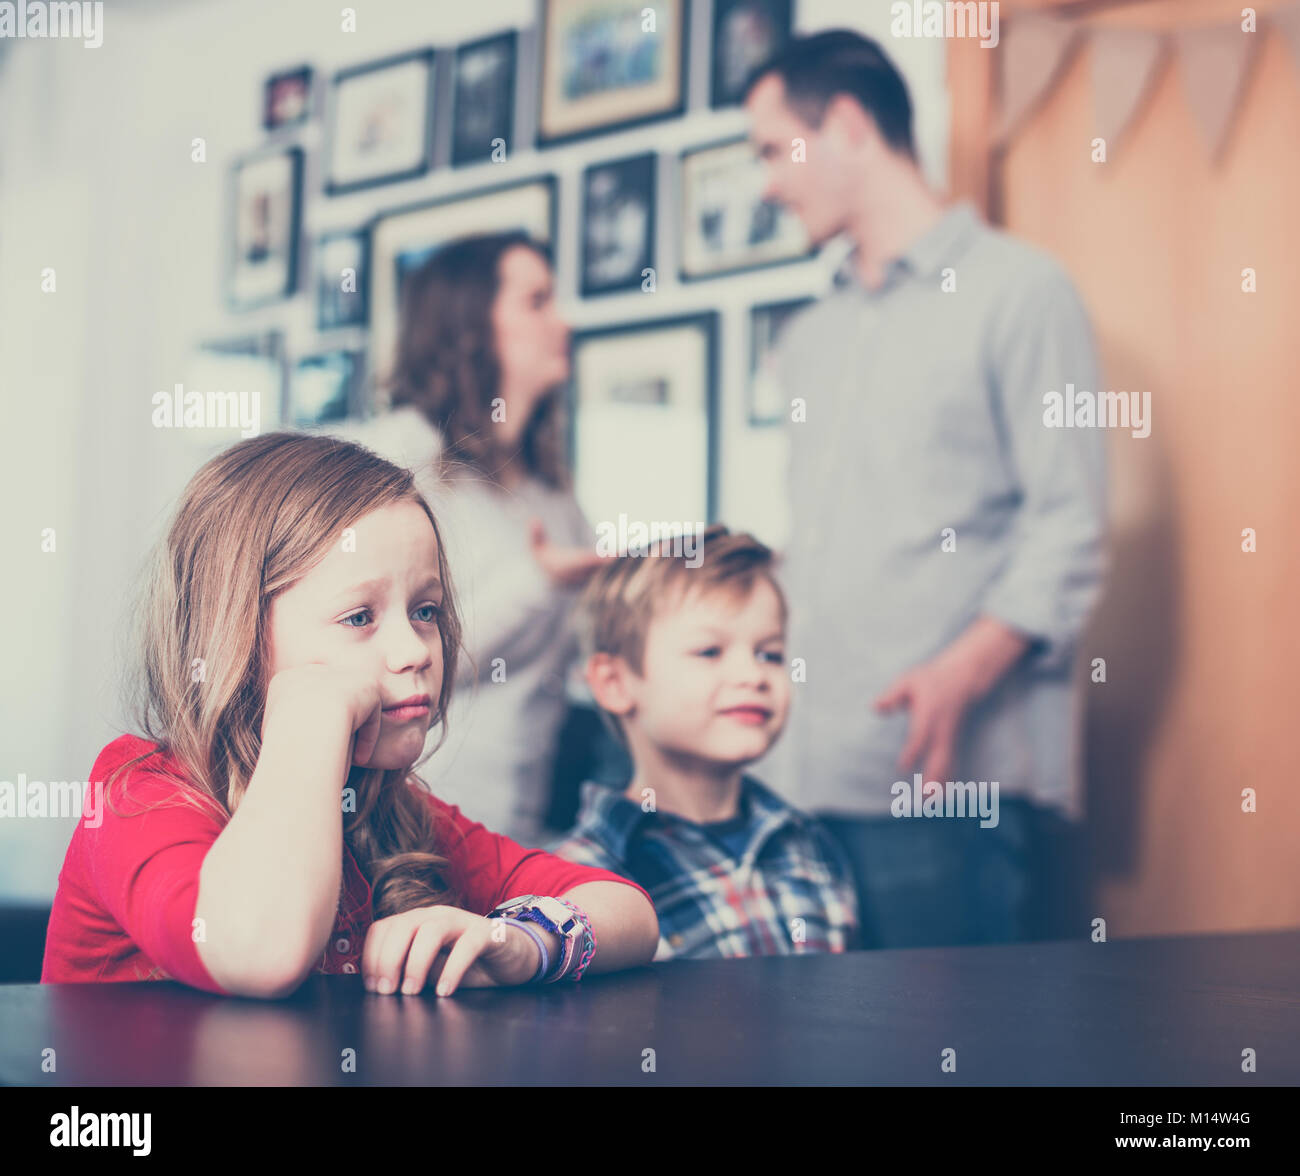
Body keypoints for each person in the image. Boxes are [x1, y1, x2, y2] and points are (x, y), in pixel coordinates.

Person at [41, 433, 658, 998]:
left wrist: (527, 942)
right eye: (359, 618)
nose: (416, 650)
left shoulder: (393, 810)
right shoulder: (137, 796)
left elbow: (626, 908)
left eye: (426, 610)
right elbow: (259, 951)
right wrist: (307, 717)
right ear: (236, 638)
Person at [741, 30, 1108, 947]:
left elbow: (1070, 526)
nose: (766, 183)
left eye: (772, 150)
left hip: (944, 781)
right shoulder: (812, 336)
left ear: (852, 128)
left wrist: (959, 672)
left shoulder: (1023, 293)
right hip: (799, 777)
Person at [333, 232, 609, 846]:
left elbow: (585, 654)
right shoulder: (400, 457)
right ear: (470, 326)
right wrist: (540, 583)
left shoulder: (552, 495)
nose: (565, 321)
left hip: (519, 823)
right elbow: (380, 657)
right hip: (404, 829)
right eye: (537, 301)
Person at [552, 525, 859, 960]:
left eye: (769, 653)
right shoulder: (576, 878)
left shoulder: (810, 844)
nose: (753, 675)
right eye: (710, 652)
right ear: (615, 683)